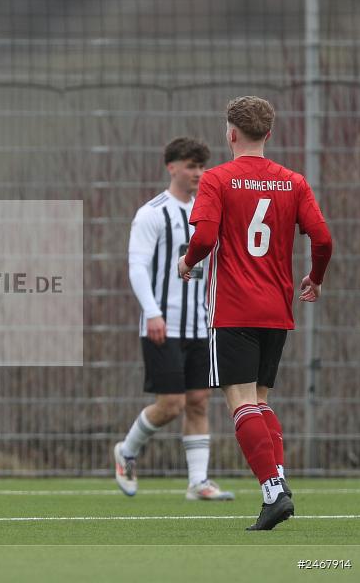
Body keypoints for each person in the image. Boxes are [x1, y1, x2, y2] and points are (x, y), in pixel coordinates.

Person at [179, 96, 333, 530]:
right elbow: (322, 240)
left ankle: (272, 489)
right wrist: (315, 278)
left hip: (232, 308)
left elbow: (206, 237)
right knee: (261, 401)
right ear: (269, 134)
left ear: (230, 133)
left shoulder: (217, 180)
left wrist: (188, 262)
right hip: (277, 308)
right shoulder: (293, 181)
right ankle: (277, 487)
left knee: (239, 402)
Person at [114, 138, 234, 501]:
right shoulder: (153, 212)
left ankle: (199, 483)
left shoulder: (210, 211)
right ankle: (127, 451)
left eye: (201, 166)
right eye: (190, 166)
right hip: (163, 322)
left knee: (198, 400)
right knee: (171, 404)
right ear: (172, 168)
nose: (197, 173)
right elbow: (137, 266)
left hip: (201, 323)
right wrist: (152, 312)